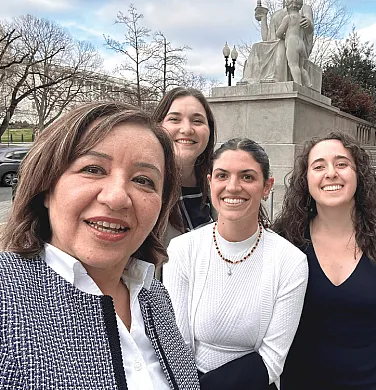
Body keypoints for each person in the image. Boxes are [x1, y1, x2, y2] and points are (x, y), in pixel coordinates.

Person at [0, 102, 200, 389]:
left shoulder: (155, 296)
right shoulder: (7, 297)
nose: (117, 197)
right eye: (93, 169)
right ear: (47, 185)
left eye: (143, 180)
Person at [273, 132, 376, 390]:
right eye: (319, 166)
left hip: (375, 382)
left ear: (359, 175)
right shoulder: (284, 240)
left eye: (342, 163)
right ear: (306, 180)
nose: (331, 173)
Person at [163, 138, 308, 390]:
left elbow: (272, 359)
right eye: (222, 175)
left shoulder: (290, 261)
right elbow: (177, 345)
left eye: (247, 177)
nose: (232, 187)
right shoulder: (183, 250)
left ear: (267, 187)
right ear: (210, 183)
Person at [152, 87, 216, 243]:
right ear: (157, 126)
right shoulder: (142, 185)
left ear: (209, 130)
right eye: (174, 119)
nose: (187, 129)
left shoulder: (219, 183)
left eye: (197, 121)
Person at [275, 0, 312, 87]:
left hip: (292, 42)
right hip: (301, 43)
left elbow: (278, 33)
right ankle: (308, 84)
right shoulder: (301, 18)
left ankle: (298, 84)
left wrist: (282, 37)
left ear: (287, 5)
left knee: (293, 65)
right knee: (301, 67)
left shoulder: (288, 17)